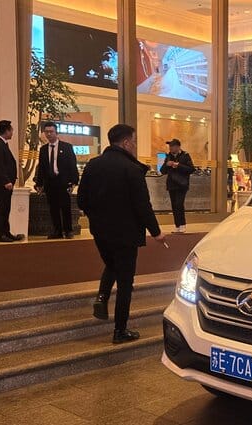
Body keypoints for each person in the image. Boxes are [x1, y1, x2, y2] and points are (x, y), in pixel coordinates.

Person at [77, 124, 166, 344]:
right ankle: (120, 330)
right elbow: (142, 205)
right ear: (126, 143)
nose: (135, 146)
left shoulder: (93, 165)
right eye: (134, 142)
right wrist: (156, 232)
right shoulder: (131, 169)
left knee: (112, 264)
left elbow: (81, 200)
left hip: (100, 231)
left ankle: (102, 297)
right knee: (125, 282)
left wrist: (97, 217)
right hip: (126, 233)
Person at [34, 121, 79, 239]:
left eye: (51, 131)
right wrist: (39, 183)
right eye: (46, 132)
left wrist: (74, 181)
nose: (49, 134)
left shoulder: (67, 147)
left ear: (56, 132)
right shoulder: (43, 149)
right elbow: (42, 168)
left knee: (65, 206)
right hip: (50, 182)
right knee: (53, 208)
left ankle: (68, 230)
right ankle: (57, 230)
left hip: (63, 182)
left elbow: (72, 165)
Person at [0, 120, 24, 242]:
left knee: (6, 209)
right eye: (11, 130)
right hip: (2, 184)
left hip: (6, 184)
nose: (12, 132)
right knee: (0, 209)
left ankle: (6, 232)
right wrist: (6, 181)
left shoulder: (3, 144)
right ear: (6, 131)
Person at [159, 138, 194, 233]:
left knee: (179, 204)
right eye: (170, 146)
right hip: (171, 184)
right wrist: (167, 165)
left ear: (178, 147)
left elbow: (191, 169)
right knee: (174, 205)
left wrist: (178, 165)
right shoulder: (168, 156)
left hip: (182, 184)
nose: (170, 148)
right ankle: (177, 225)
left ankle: (182, 224)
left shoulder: (185, 156)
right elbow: (162, 171)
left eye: (172, 146)